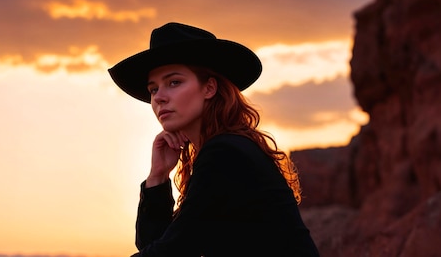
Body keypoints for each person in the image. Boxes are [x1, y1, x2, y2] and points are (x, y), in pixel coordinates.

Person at [109, 22, 320, 257]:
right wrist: (157, 176)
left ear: (209, 88)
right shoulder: (221, 150)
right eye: (153, 89)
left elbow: (176, 250)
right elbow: (155, 242)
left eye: (174, 82)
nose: (159, 98)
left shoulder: (226, 153)